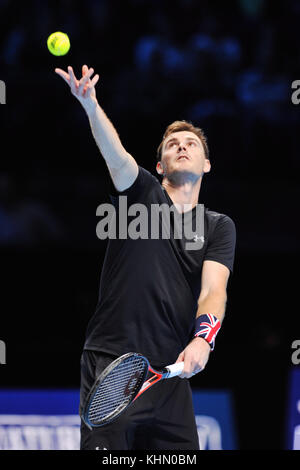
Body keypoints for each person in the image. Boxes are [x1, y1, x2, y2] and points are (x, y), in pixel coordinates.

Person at [55, 65, 236, 450]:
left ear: (206, 164)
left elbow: (213, 290)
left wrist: (204, 338)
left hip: (168, 376)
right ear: (159, 166)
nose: (182, 146)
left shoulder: (219, 227)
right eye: (172, 144)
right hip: (113, 366)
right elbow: (117, 157)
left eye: (191, 143)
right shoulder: (140, 197)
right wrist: (91, 106)